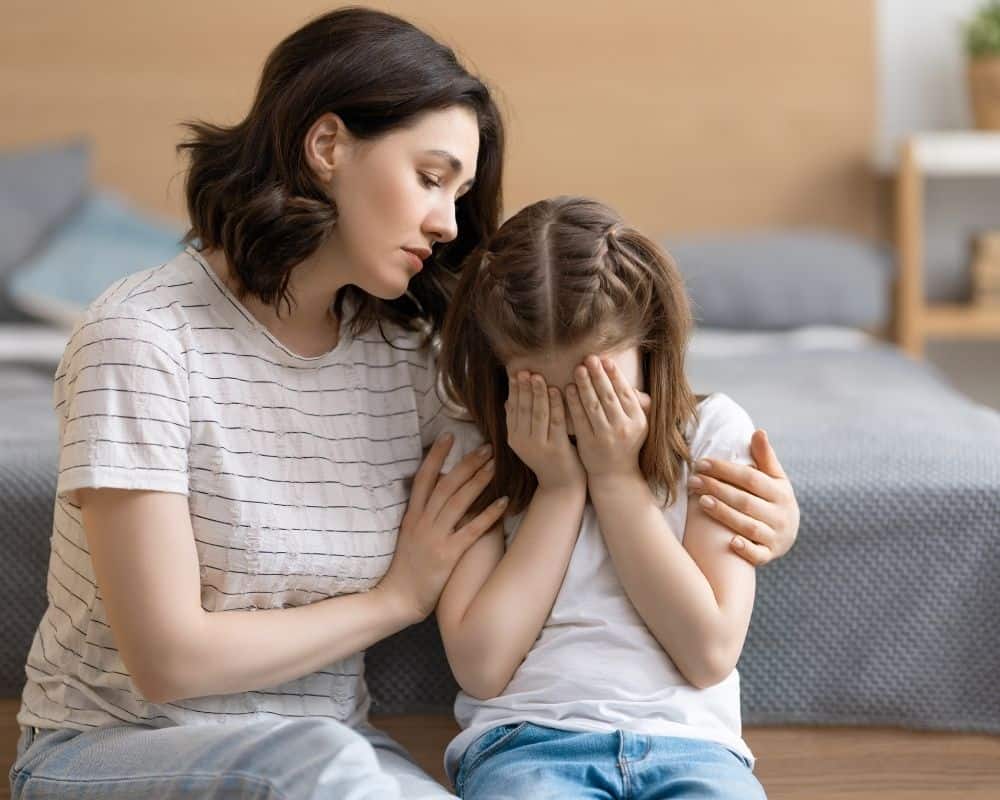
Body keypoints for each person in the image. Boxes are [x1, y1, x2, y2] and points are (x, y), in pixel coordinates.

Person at [10, 9, 797, 800]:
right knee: (325, 766)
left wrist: (774, 519)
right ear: (327, 148)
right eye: (430, 177)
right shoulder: (141, 336)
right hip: (122, 746)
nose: (448, 223)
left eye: (460, 193)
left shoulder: (405, 359)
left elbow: (551, 385)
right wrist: (396, 599)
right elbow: (168, 662)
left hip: (333, 751)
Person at [436, 196, 776, 799]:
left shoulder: (715, 434)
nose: (576, 412)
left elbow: (708, 653)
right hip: (525, 744)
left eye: (595, 382)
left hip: (693, 747)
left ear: (648, 341)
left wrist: (617, 481)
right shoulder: (475, 447)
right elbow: (483, 668)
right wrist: (560, 490)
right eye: (544, 387)